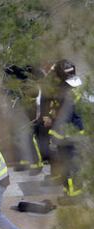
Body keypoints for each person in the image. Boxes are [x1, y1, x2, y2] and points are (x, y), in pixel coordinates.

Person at [42, 59, 84, 202]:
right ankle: (69, 193)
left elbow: (65, 115)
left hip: (69, 134)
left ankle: (74, 196)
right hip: (70, 133)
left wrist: (51, 120)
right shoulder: (70, 85)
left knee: (70, 166)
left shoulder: (68, 90)